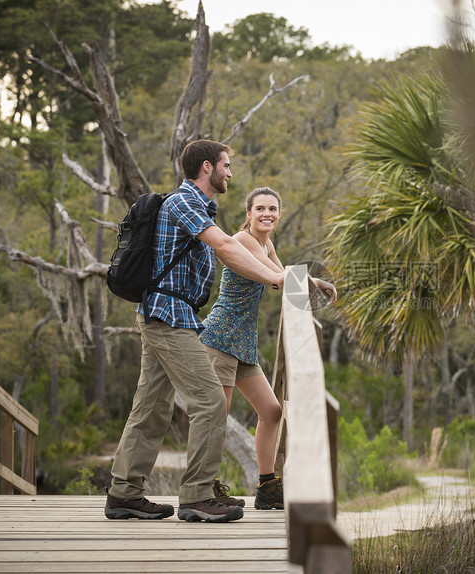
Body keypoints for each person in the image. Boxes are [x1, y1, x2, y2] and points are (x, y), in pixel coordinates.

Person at [104, 140, 285, 523]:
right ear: (207, 167)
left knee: (152, 407)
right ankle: (198, 496)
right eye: (226, 165)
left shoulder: (199, 206)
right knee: (209, 400)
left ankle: (124, 493)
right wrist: (274, 277)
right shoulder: (184, 202)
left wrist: (286, 276)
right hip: (167, 314)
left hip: (175, 314)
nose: (230, 173)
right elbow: (223, 247)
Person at [199, 187, 336, 510]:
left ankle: (266, 486)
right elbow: (277, 277)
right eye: (260, 208)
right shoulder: (244, 240)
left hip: (243, 343)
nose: (267, 214)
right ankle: (204, 489)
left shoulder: (265, 242)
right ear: (248, 214)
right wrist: (314, 281)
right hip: (221, 337)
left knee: (272, 412)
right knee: (216, 416)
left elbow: (285, 277)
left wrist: (309, 283)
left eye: (273, 209)